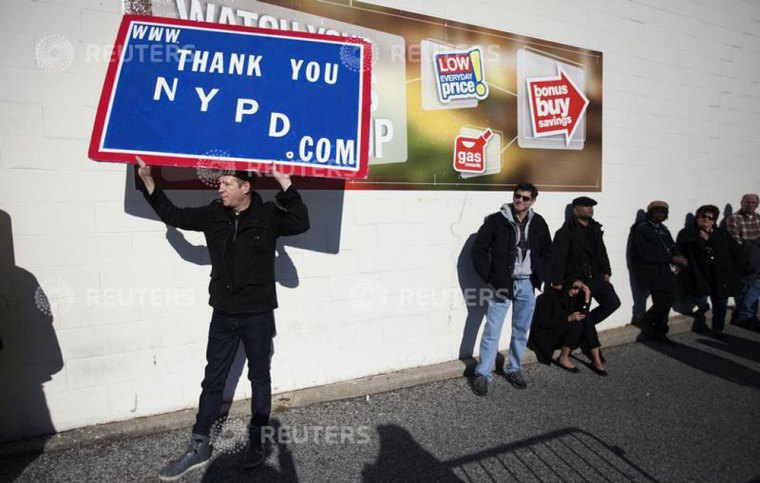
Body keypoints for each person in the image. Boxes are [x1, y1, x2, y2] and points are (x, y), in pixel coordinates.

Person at [135, 158, 310, 480]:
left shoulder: (269, 214)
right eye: (220, 183)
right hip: (223, 313)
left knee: (259, 376)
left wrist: (285, 183)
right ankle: (199, 446)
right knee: (212, 378)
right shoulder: (214, 213)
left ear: (246, 187)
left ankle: (257, 441)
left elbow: (300, 222)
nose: (221, 187)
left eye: (227, 183)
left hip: (257, 313)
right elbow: (174, 214)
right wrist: (148, 180)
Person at [470, 182, 552, 395]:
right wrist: (490, 278)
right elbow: (478, 251)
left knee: (521, 330)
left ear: (532, 201)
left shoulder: (539, 222)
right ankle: (483, 374)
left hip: (527, 284)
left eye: (525, 198)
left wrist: (540, 277)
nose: (520, 200)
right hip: (503, 283)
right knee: (492, 329)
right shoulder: (496, 221)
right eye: (517, 196)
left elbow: (547, 251)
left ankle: (514, 368)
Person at [549, 196, 621, 360]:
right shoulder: (565, 232)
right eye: (585, 206)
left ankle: (583, 329)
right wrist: (558, 282)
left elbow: (602, 251)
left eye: (591, 206)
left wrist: (607, 272)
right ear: (575, 210)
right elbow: (558, 259)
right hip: (578, 280)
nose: (590, 209)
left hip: (597, 277)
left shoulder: (595, 228)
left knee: (612, 303)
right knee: (582, 314)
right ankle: (591, 347)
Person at [675, 205, 742, 337]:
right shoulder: (687, 233)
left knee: (720, 302)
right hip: (697, 272)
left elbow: (735, 250)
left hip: (720, 274)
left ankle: (718, 328)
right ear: (697, 217)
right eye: (703, 216)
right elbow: (679, 250)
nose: (706, 219)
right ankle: (704, 306)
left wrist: (735, 268)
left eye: (710, 217)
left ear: (714, 220)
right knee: (698, 296)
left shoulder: (721, 233)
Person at [630, 201, 688, 346]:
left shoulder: (663, 229)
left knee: (663, 303)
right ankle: (646, 319)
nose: (660, 215)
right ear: (650, 213)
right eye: (657, 212)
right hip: (651, 271)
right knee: (669, 298)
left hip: (665, 270)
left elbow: (672, 246)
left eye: (663, 212)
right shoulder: (642, 229)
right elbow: (646, 254)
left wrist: (679, 256)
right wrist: (671, 258)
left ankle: (659, 332)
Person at [528, 278, 607, 375]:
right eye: (575, 288)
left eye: (579, 289)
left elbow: (583, 315)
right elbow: (543, 322)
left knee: (587, 321)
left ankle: (596, 360)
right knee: (576, 325)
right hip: (546, 335)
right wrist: (568, 319)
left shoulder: (569, 297)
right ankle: (563, 357)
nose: (576, 291)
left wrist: (587, 297)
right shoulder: (547, 297)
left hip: (560, 332)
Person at [726, 193, 760, 328]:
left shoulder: (758, 218)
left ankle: (744, 315)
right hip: (742, 258)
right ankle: (746, 316)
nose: (751, 205)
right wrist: (753, 245)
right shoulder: (734, 218)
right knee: (746, 287)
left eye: (754, 203)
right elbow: (736, 240)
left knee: (753, 287)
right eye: (748, 202)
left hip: (757, 259)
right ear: (741, 203)